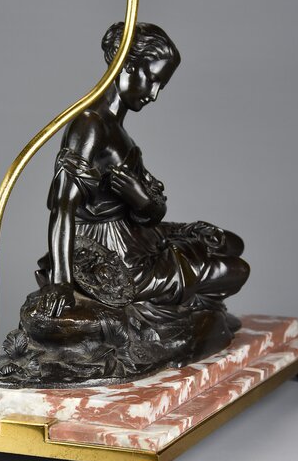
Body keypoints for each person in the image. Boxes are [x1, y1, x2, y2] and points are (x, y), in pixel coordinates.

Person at [34, 22, 250, 331]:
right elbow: (62, 207)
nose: (154, 94)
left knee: (229, 243)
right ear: (126, 65)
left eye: (161, 85)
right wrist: (61, 282)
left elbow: (148, 211)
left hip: (137, 237)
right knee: (235, 269)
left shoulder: (117, 130)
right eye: (153, 80)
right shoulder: (89, 125)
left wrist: (142, 200)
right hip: (112, 253)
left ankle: (197, 311)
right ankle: (191, 315)